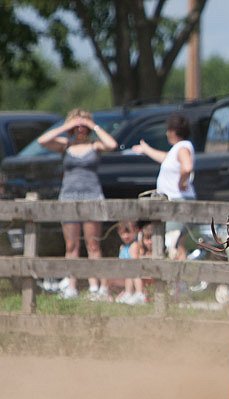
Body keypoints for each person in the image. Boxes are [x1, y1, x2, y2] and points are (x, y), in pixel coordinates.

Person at [37, 108, 118, 300]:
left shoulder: (95, 145)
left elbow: (112, 144)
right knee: (71, 245)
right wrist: (67, 126)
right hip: (69, 198)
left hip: (92, 196)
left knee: (93, 245)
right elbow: (42, 141)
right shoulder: (65, 145)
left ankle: (95, 287)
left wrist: (93, 125)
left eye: (83, 125)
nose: (80, 128)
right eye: (77, 125)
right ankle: (71, 286)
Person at [132, 113, 195, 260]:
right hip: (176, 200)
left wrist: (181, 182)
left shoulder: (182, 147)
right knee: (176, 242)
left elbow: (187, 167)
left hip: (178, 200)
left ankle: (180, 281)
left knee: (173, 242)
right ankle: (180, 281)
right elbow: (165, 158)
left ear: (173, 131)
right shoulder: (177, 149)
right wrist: (146, 149)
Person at [115, 220, 147, 305]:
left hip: (136, 272)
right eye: (122, 233)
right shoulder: (122, 247)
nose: (125, 236)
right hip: (126, 272)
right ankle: (128, 293)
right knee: (128, 275)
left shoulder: (134, 245)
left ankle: (139, 294)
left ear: (135, 231)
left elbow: (135, 263)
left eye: (128, 233)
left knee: (133, 273)